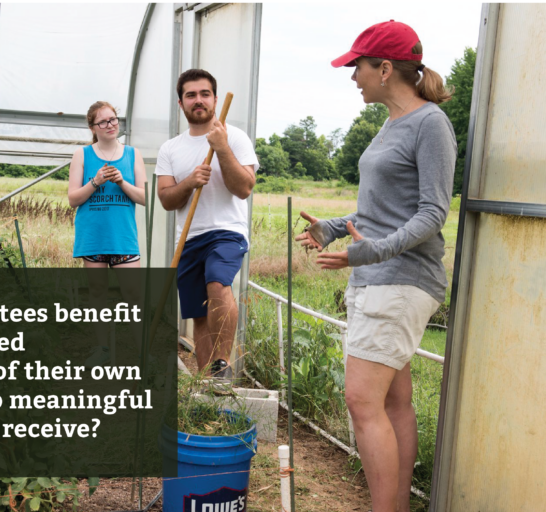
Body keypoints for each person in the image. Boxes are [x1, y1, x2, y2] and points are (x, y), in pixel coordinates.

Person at [295, 21, 456, 512]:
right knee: (391, 403)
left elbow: (433, 213)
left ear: (385, 69)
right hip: (383, 277)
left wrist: (368, 251)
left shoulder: (430, 123)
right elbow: (380, 215)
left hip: (400, 280)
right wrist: (335, 227)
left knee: (361, 401)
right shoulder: (391, 124)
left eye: (357, 66)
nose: (352, 76)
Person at [156, 69, 259, 378]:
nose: (198, 100)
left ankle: (222, 365)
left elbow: (244, 188)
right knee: (199, 314)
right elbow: (166, 199)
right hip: (188, 238)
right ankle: (208, 386)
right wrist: (189, 181)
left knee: (218, 282)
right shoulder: (170, 148)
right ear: (181, 103)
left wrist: (222, 147)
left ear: (215, 99)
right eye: (191, 95)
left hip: (226, 232)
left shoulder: (235, 137)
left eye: (204, 94)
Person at [68, 100, 147, 367]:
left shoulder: (132, 154)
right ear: (93, 127)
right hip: (94, 236)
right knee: (98, 292)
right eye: (103, 121)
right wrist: (96, 181)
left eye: (113, 119)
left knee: (133, 293)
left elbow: (145, 197)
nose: (110, 125)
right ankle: (102, 348)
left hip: (123, 236)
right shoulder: (82, 155)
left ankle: (141, 350)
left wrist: (121, 181)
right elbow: (73, 199)